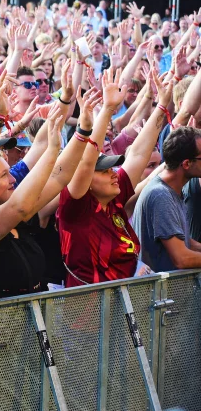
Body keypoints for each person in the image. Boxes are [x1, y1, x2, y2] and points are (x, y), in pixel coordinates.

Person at [0, 67, 86, 301]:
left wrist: (69, 107)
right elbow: (20, 206)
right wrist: (53, 151)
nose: (13, 179)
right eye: (3, 176)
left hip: (30, 330)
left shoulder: (14, 207)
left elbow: (59, 175)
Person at [59, 69, 169, 286]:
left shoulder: (115, 199)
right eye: (104, 170)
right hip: (88, 312)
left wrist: (162, 106)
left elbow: (138, 153)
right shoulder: (75, 209)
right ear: (85, 181)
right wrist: (107, 110)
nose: (113, 174)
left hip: (124, 308)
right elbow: (86, 162)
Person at [133, 126, 201, 270]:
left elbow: (185, 242)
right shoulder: (161, 195)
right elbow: (182, 259)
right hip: (159, 292)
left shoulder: (172, 190)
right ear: (187, 164)